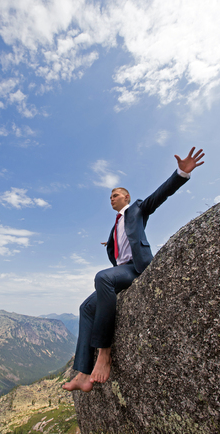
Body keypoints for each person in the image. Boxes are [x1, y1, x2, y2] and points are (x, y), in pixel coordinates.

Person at [63, 147, 205, 393]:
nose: (112, 198)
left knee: (102, 278)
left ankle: (104, 354)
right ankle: (84, 373)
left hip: (135, 270)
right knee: (85, 308)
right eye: (109, 197)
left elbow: (160, 195)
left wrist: (181, 173)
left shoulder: (137, 208)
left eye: (116, 195)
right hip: (121, 271)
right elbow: (124, 240)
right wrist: (112, 243)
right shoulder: (116, 225)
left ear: (127, 197)